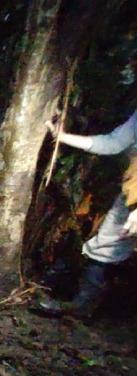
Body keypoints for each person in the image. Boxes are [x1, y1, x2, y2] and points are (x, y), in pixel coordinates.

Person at [38, 110, 137, 317]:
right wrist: (61, 136)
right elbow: (113, 143)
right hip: (132, 189)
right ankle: (82, 307)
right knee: (107, 245)